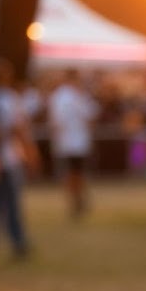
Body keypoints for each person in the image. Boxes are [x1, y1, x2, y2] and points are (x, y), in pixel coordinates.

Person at [0, 58, 38, 261]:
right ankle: (17, 241)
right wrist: (30, 154)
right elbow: (18, 129)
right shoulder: (7, 99)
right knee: (12, 204)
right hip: (8, 158)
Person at [46, 67, 96, 219]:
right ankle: (76, 201)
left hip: (72, 142)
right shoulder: (67, 96)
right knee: (73, 173)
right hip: (72, 142)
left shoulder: (71, 96)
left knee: (74, 173)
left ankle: (77, 200)